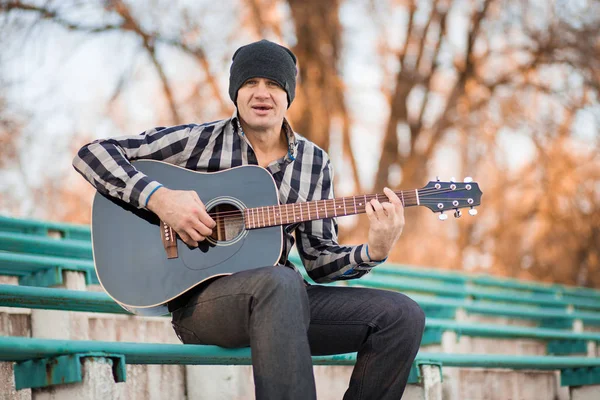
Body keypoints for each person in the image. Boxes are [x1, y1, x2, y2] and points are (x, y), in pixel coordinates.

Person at [73, 39, 425, 400]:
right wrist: (160, 199)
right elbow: (92, 154)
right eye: (250, 82)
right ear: (235, 92)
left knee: (403, 316)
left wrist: (374, 250)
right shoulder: (200, 141)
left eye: (274, 84)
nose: (262, 93)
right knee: (278, 283)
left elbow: (319, 260)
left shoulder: (314, 162)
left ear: (288, 95)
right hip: (203, 307)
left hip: (287, 302)